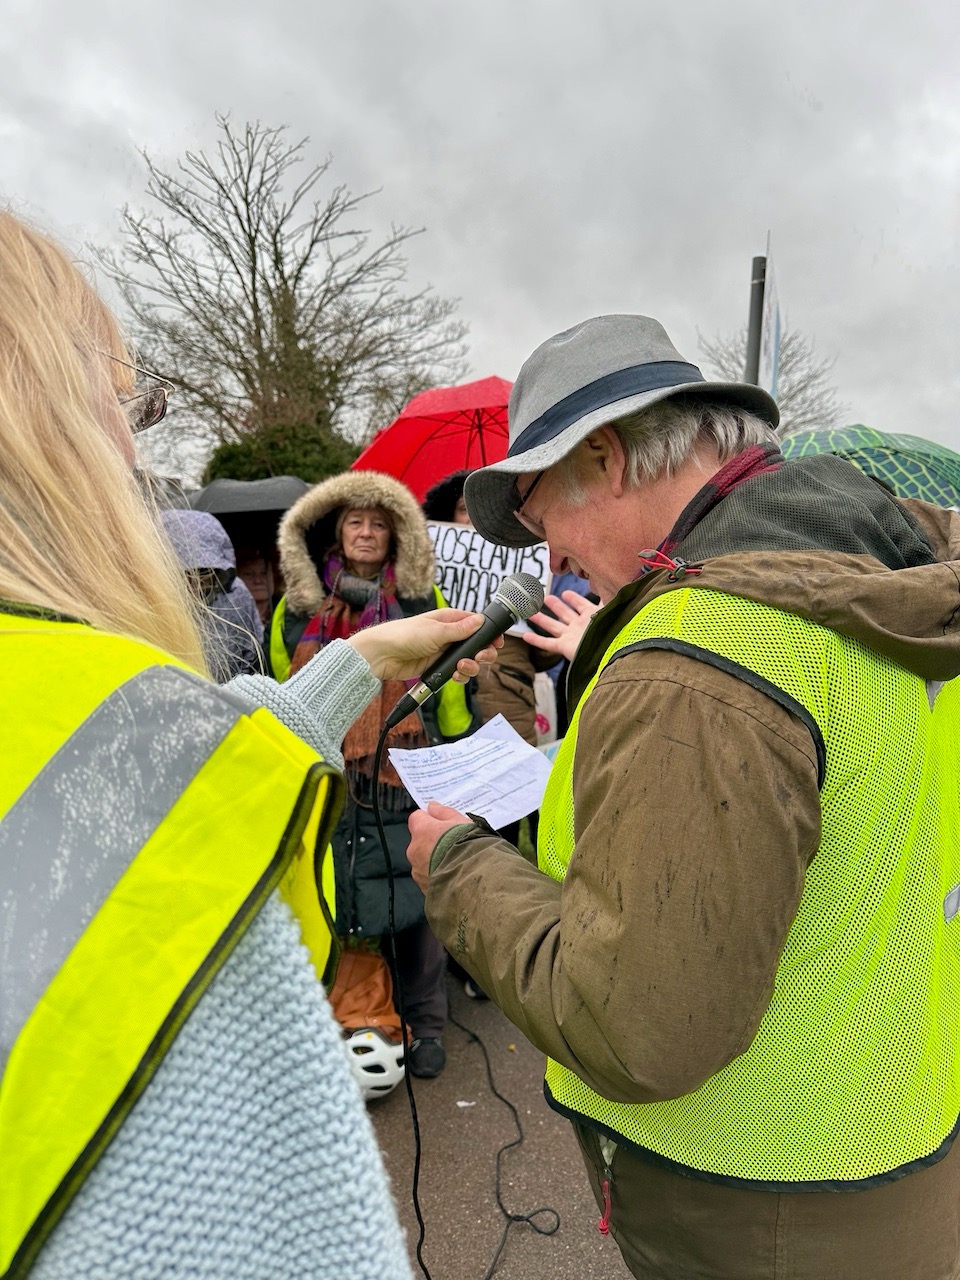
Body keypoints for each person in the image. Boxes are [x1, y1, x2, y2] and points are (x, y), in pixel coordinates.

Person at [406, 313, 960, 1280]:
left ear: (606, 457)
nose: (551, 560)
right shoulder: (880, 582)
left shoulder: (695, 664)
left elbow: (638, 1028)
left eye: (541, 521)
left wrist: (456, 866)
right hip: (889, 1138)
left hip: (749, 1202)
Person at [0, 207, 498, 1280]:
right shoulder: (139, 713)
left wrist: (379, 667)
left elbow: (210, 734)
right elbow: (182, 753)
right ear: (49, 420)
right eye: (123, 402)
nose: (133, 443)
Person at [271, 470, 479, 1078]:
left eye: (378, 524)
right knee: (345, 893)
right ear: (339, 532)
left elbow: (451, 688)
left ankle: (425, 1023)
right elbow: (286, 680)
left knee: (420, 896)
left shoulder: (424, 603)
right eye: (355, 522)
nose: (366, 532)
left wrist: (452, 749)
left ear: (397, 537)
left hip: (407, 769)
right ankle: (355, 1012)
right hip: (332, 772)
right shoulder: (299, 607)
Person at [159, 507, 264, 680]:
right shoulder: (148, 602)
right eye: (184, 573)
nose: (195, 583)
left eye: (203, 572)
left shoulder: (236, 595)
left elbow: (252, 653)